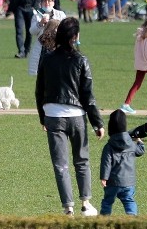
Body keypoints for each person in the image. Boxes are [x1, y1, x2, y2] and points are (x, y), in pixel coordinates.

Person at [36, 17, 105, 216]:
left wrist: (43, 117)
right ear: (75, 36)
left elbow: (39, 91)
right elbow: (87, 96)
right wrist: (97, 123)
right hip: (76, 116)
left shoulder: (47, 59)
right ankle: (86, 203)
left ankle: (68, 207)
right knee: (81, 161)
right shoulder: (81, 60)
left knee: (60, 164)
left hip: (52, 115)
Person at [99, 109, 145, 216]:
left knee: (107, 201)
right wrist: (139, 140)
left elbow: (106, 162)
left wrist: (104, 177)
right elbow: (141, 151)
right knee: (129, 200)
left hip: (113, 182)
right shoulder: (131, 144)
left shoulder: (109, 146)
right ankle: (131, 219)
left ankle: (104, 219)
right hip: (129, 182)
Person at [28, 0, 66, 76]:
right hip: (42, 49)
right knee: (41, 74)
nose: (47, 3)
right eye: (44, 1)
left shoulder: (61, 14)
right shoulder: (36, 15)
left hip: (57, 48)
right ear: (41, 3)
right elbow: (32, 31)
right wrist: (40, 23)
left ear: (53, 3)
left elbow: (65, 31)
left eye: (49, 1)